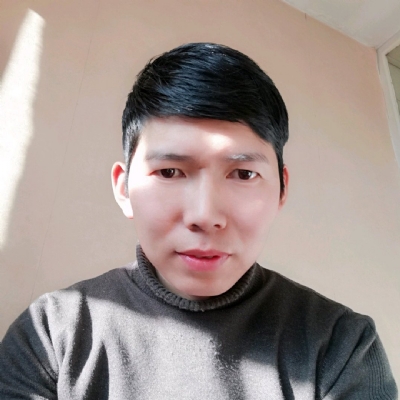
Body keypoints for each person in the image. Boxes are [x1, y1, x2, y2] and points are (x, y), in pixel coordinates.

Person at [0, 43, 397, 399]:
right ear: (123, 189)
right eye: (170, 172)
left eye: (243, 174)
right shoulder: (51, 333)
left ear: (281, 190)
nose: (205, 216)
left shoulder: (340, 345)